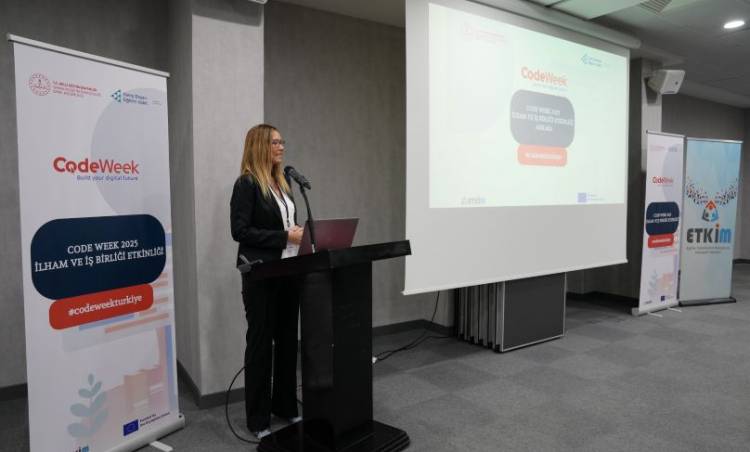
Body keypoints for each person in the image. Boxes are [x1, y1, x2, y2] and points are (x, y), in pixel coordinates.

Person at [230, 124, 304, 439]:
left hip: (289, 271)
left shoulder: (283, 183)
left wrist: (296, 232)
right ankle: (258, 418)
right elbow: (240, 231)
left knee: (287, 342)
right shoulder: (246, 184)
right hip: (261, 275)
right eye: (275, 142)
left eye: (282, 141)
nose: (281, 146)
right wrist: (285, 236)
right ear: (260, 145)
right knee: (261, 345)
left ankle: (285, 406)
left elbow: (286, 224)